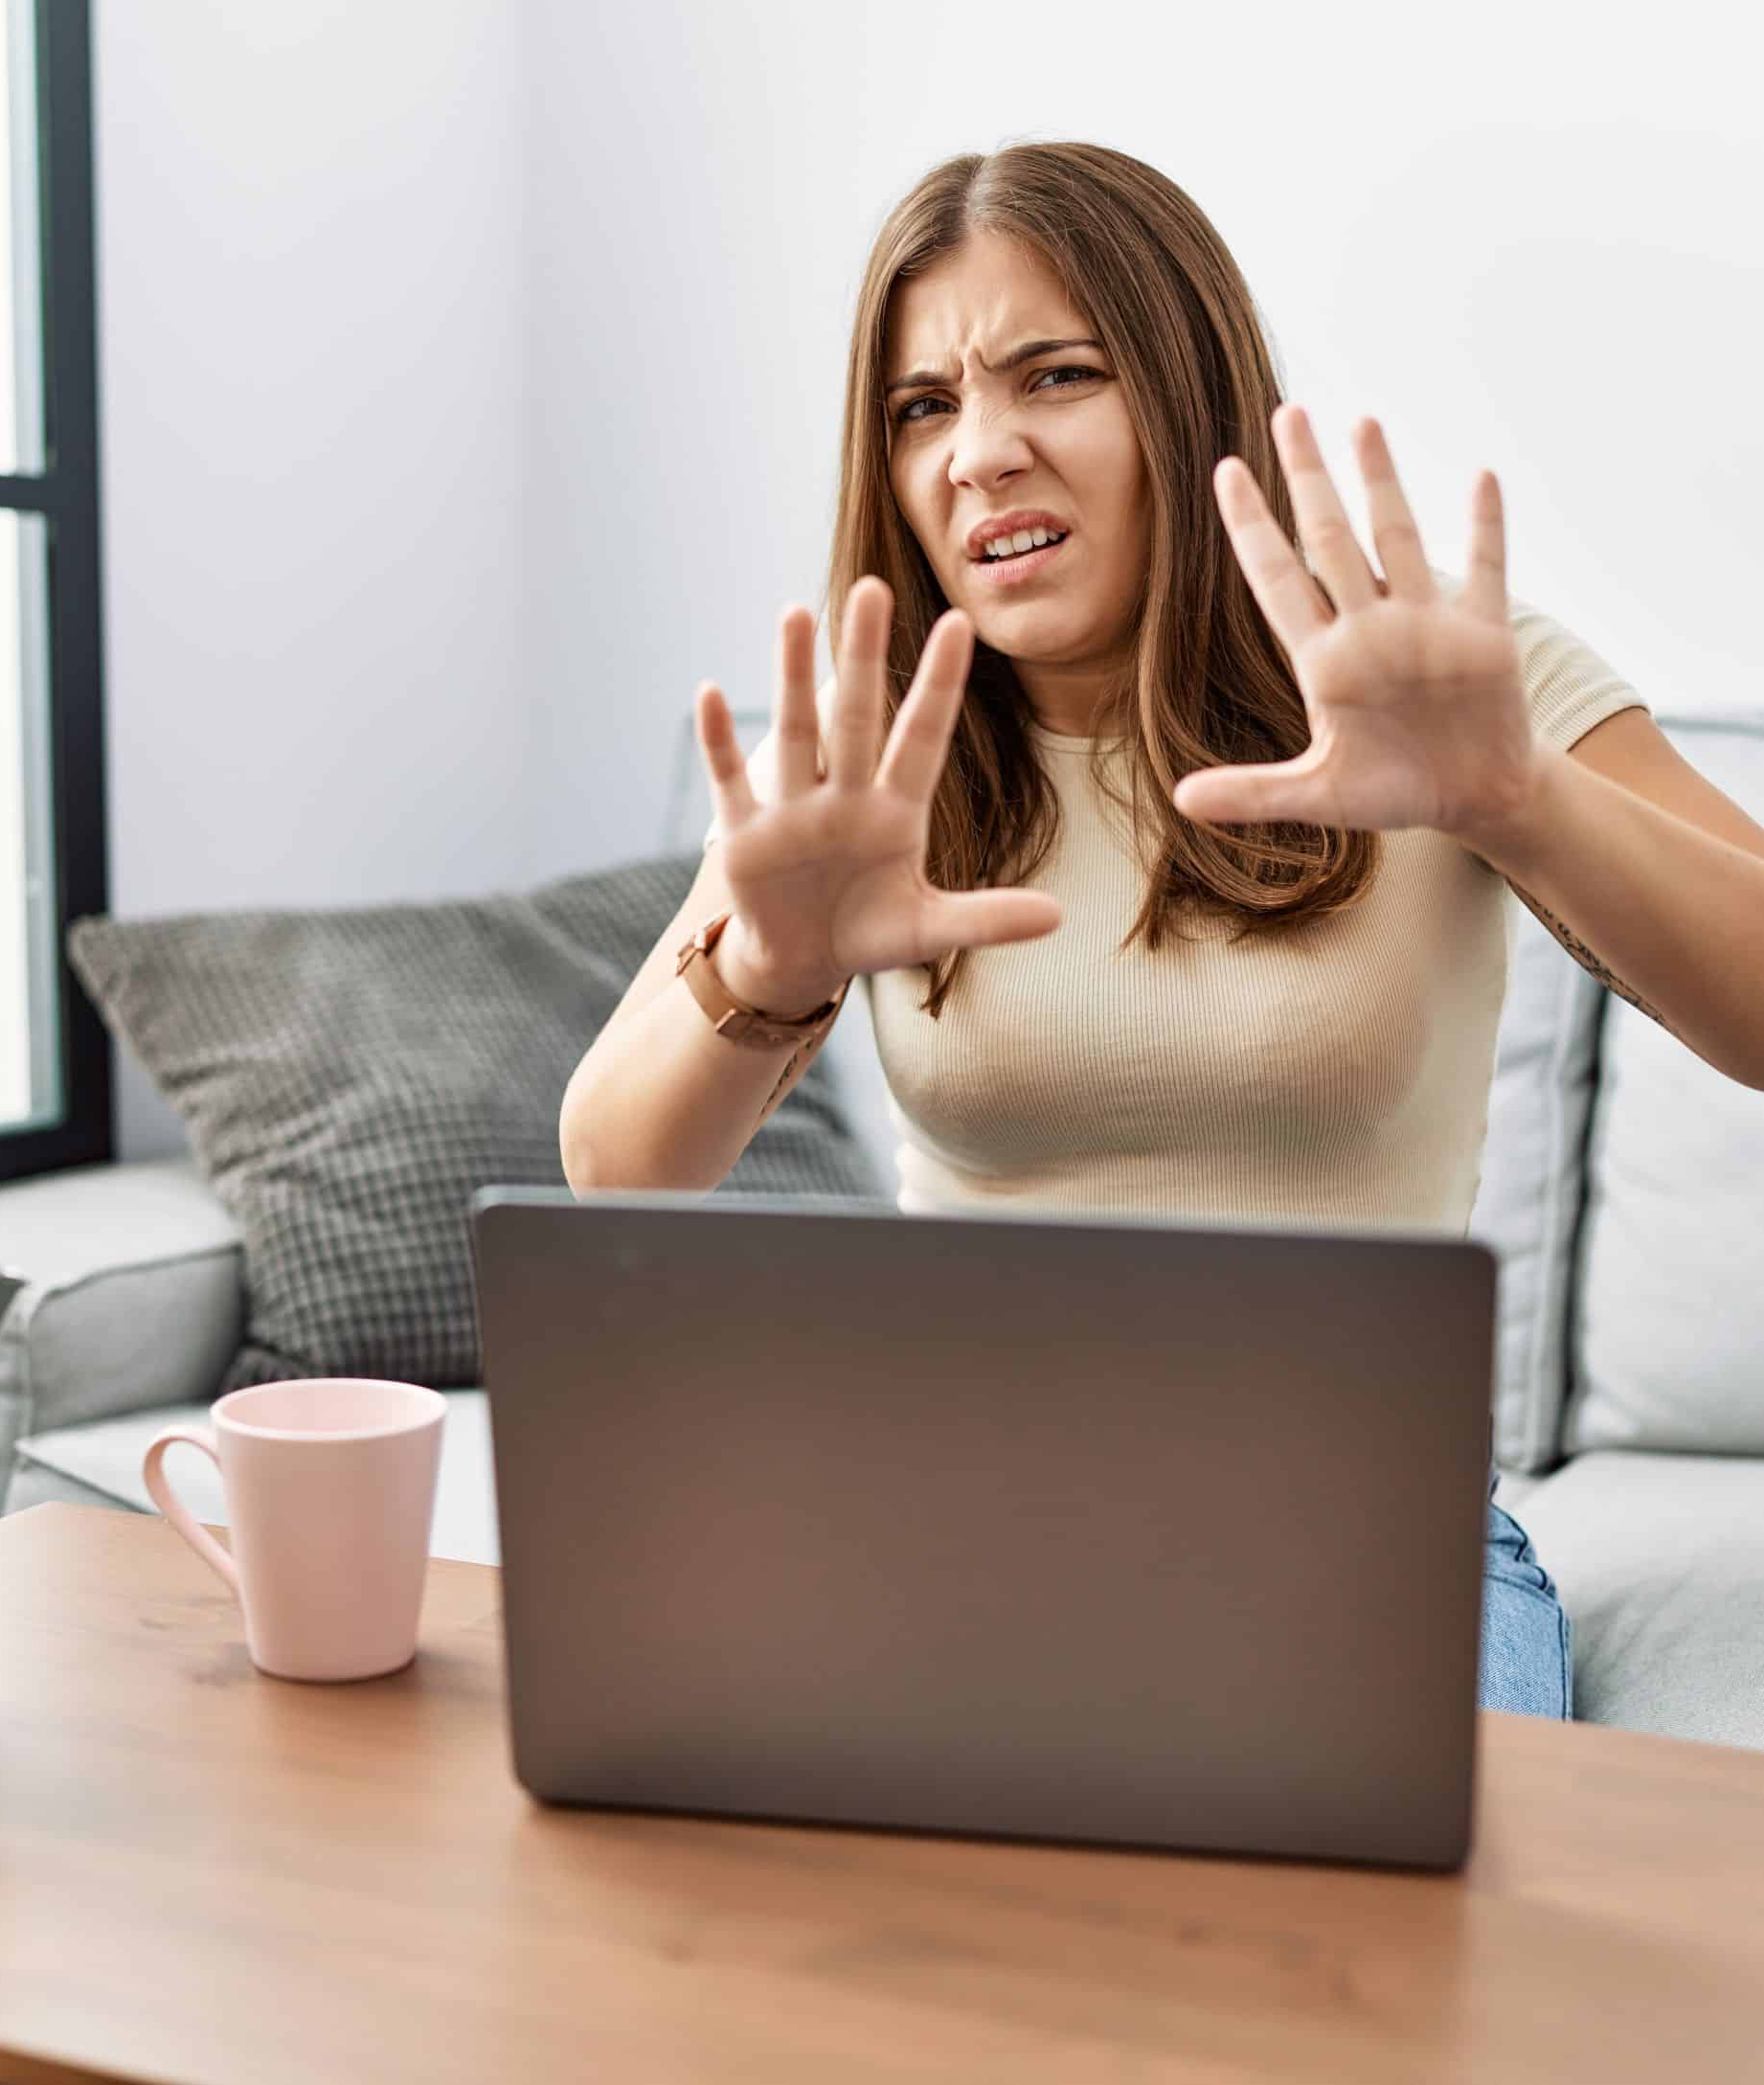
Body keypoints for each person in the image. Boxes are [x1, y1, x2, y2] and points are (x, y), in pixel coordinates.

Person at [559, 142, 1714, 1724]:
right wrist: (765, 972)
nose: (979, 454)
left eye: (1055, 374)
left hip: (1369, 1546)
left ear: (1183, 390)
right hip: (946, 1528)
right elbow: (615, 1170)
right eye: (921, 408)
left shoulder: (1426, 665)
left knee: (1382, 1960)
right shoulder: (883, 744)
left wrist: (1515, 800)